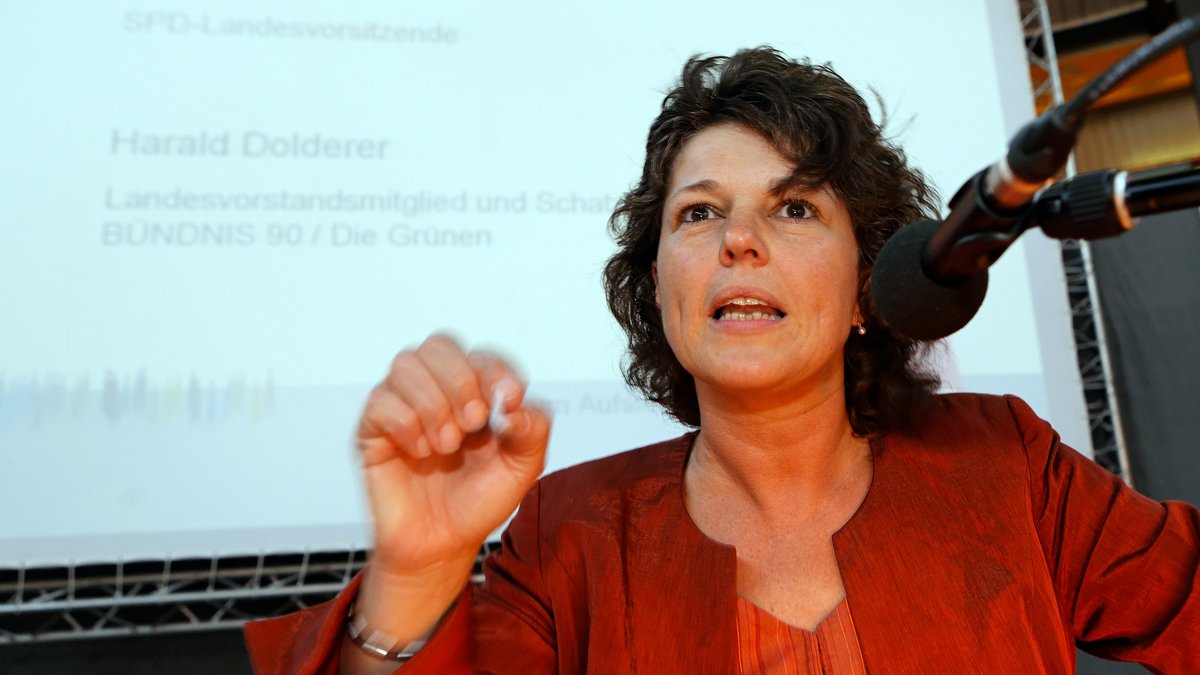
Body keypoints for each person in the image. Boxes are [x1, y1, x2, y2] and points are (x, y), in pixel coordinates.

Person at [244, 48, 1200, 674]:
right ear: (660, 283)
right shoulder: (569, 531)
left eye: (795, 208)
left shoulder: (1006, 462)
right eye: (699, 212)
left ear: (868, 284)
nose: (739, 239)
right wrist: (416, 573)